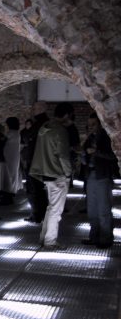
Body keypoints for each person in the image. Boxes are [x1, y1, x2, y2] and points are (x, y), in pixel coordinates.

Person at [30, 102, 73, 250]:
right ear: (66, 115)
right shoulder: (60, 131)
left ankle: (44, 238)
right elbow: (63, 155)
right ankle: (50, 241)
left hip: (46, 173)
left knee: (51, 208)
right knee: (56, 210)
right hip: (57, 173)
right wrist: (68, 173)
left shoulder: (44, 128)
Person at [81, 113, 118, 248]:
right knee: (92, 209)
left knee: (103, 208)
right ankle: (94, 236)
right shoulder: (90, 138)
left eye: (93, 124)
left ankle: (106, 238)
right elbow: (85, 154)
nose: (91, 127)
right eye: (89, 125)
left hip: (103, 175)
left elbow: (113, 156)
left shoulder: (106, 138)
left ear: (100, 124)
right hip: (91, 174)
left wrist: (95, 152)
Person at [24, 102, 49, 223]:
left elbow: (28, 136)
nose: (32, 110)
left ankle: (37, 215)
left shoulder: (39, 123)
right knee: (39, 189)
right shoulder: (43, 123)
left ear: (42, 109)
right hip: (39, 160)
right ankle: (41, 214)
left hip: (35, 161)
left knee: (35, 189)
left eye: (35, 108)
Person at [0, 117, 23, 205]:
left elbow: (2, 142)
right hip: (14, 158)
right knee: (12, 176)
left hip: (7, 158)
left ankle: (6, 197)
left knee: (6, 177)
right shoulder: (17, 133)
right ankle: (9, 195)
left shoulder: (10, 133)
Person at [63, 112, 81, 188]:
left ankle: (69, 182)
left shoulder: (72, 129)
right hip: (69, 153)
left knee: (68, 168)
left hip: (70, 153)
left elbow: (76, 144)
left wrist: (72, 148)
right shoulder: (71, 128)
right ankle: (68, 182)